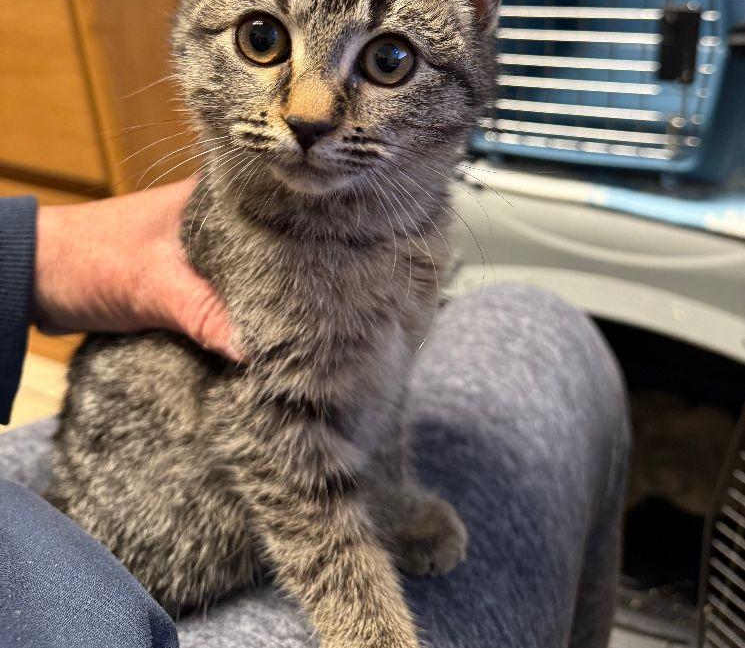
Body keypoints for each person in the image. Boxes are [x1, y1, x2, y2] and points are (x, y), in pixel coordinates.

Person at [0, 183, 630, 648]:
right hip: (152, 558)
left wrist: (28, 251)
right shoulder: (261, 236)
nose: (309, 110)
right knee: (537, 322)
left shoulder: (406, 214)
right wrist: (367, 627)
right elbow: (281, 454)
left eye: (387, 62)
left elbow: (367, 390)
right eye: (264, 42)